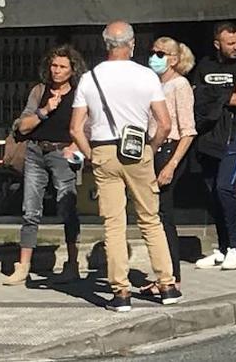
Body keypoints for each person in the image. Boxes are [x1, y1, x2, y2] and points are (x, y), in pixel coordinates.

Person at [68, 21, 179, 311]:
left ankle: (120, 292)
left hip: (104, 150)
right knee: (150, 219)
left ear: (106, 45)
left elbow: (76, 128)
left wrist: (91, 155)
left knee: (114, 224)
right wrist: (150, 149)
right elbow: (165, 124)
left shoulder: (90, 78)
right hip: (137, 150)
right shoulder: (146, 76)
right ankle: (167, 285)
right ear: (132, 44)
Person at [4, 45, 88, 287]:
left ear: (72, 70)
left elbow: (87, 124)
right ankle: (23, 266)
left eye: (62, 67)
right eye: (53, 65)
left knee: (67, 207)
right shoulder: (39, 90)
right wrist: (45, 110)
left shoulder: (79, 94)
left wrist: (75, 146)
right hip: (35, 151)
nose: (56, 71)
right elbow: (22, 126)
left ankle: (72, 264)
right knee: (30, 210)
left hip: (62, 153)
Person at [191, 22, 236, 272]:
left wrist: (213, 96)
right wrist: (216, 98)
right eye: (231, 43)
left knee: (224, 187)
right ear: (217, 44)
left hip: (234, 132)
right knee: (211, 191)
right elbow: (196, 96)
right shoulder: (205, 65)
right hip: (209, 133)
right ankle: (222, 247)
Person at [143, 37, 196, 297]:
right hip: (152, 149)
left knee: (164, 215)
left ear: (174, 59)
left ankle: (172, 277)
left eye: (161, 54)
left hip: (169, 150)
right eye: (153, 52)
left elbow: (188, 130)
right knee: (155, 214)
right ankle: (163, 273)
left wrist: (172, 164)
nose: (155, 57)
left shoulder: (180, 85)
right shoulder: (154, 85)